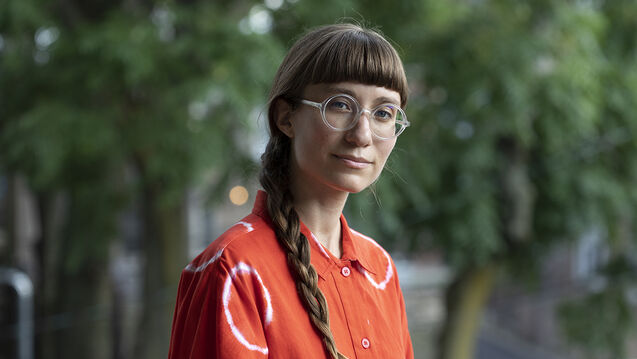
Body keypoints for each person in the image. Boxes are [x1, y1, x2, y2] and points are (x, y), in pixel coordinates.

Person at [168, 23, 413, 359]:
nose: (363, 134)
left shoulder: (380, 270)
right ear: (286, 117)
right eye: (340, 105)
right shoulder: (232, 269)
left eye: (384, 113)